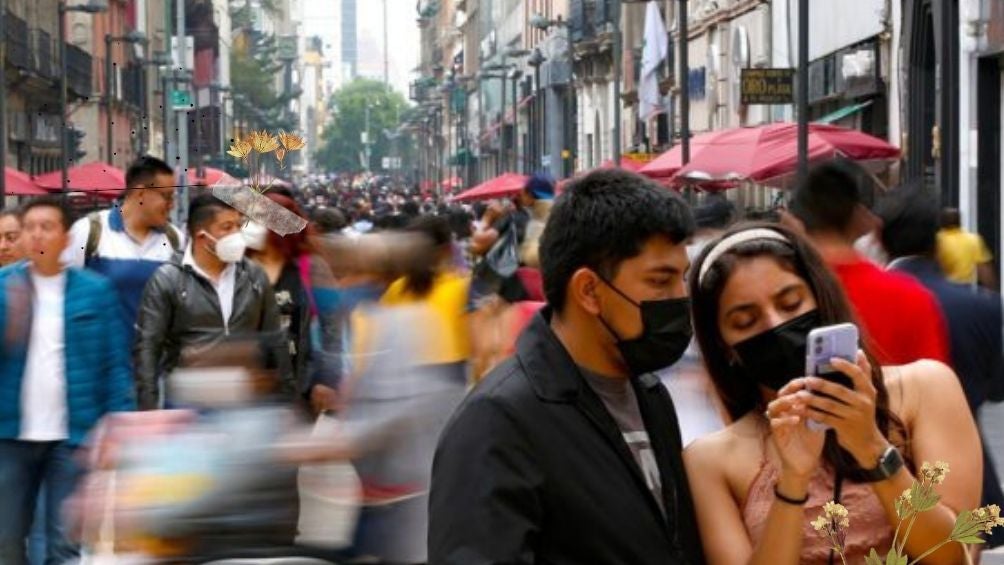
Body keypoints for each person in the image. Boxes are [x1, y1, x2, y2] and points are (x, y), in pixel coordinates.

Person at [429, 169, 705, 564]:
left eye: (683, 278)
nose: (680, 298)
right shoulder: (497, 422)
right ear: (589, 291)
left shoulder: (650, 394)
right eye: (660, 282)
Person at [684, 223, 982, 565]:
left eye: (791, 303)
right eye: (745, 321)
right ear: (724, 345)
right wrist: (793, 482)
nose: (773, 324)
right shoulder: (710, 459)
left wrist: (871, 447)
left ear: (821, 297)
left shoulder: (924, 388)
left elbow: (955, 555)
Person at [0, 196, 135, 565]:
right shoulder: (3, 288)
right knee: (7, 543)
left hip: (72, 438)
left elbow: (114, 365)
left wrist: (117, 430)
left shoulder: (95, 291)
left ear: (65, 237)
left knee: (63, 546)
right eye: (29, 228)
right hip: (10, 437)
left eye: (46, 227)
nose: (36, 235)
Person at [878, 184, 1004, 549]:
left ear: (882, 239)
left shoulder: (869, 297)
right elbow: (998, 388)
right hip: (972, 470)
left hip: (887, 472)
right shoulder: (984, 306)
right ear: (937, 240)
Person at [133, 193, 290, 410]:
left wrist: (285, 398)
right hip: (189, 404)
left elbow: (275, 339)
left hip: (246, 402)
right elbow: (148, 348)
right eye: (227, 227)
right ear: (201, 235)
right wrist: (148, 411)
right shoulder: (168, 280)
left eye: (238, 225)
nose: (236, 234)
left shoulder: (253, 276)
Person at [790, 160, 949, 365]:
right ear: (858, 216)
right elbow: (933, 385)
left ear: (799, 223)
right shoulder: (910, 296)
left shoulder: (784, 299)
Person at [61, 156, 183, 341]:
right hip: (103, 361)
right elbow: (64, 294)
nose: (172, 205)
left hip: (158, 364)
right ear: (141, 194)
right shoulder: (89, 231)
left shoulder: (175, 239)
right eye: (166, 196)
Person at [243, 193, 342, 409]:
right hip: (247, 385)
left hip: (301, 384)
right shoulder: (237, 266)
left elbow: (332, 329)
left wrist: (328, 381)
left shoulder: (312, 267)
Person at [937, 207, 997, 290]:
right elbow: (985, 271)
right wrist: (992, 293)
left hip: (940, 290)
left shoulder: (936, 240)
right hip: (964, 290)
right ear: (959, 221)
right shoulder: (973, 240)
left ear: (941, 222)